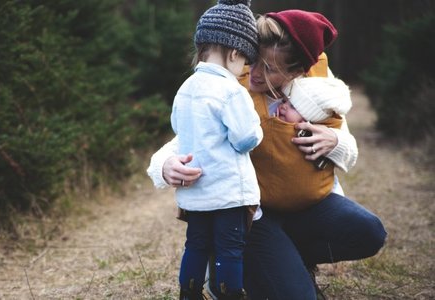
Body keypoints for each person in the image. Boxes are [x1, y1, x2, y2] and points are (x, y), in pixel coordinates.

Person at [147, 9, 387, 299]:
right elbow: (189, 136)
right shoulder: (231, 84)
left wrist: (335, 141)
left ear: (297, 71)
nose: (256, 74)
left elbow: (348, 149)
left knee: (369, 232)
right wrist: (164, 165)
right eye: (254, 61)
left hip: (306, 207)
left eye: (270, 69)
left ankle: (283, 260)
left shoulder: (317, 89)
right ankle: (229, 263)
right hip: (251, 215)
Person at [171, 0, 262, 299]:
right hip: (228, 193)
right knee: (229, 250)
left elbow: (177, 126)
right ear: (234, 53)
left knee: (196, 244)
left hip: (196, 192)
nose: (243, 70)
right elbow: (245, 138)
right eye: (244, 62)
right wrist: (257, 128)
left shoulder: (186, 87)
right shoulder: (231, 90)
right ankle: (230, 294)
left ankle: (189, 292)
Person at [254, 76, 352, 211]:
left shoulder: (320, 127)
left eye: (293, 107)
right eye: (284, 101)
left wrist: (336, 141)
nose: (282, 106)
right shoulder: (265, 113)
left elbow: (350, 156)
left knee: (369, 226)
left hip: (317, 200)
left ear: (309, 121)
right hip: (267, 203)